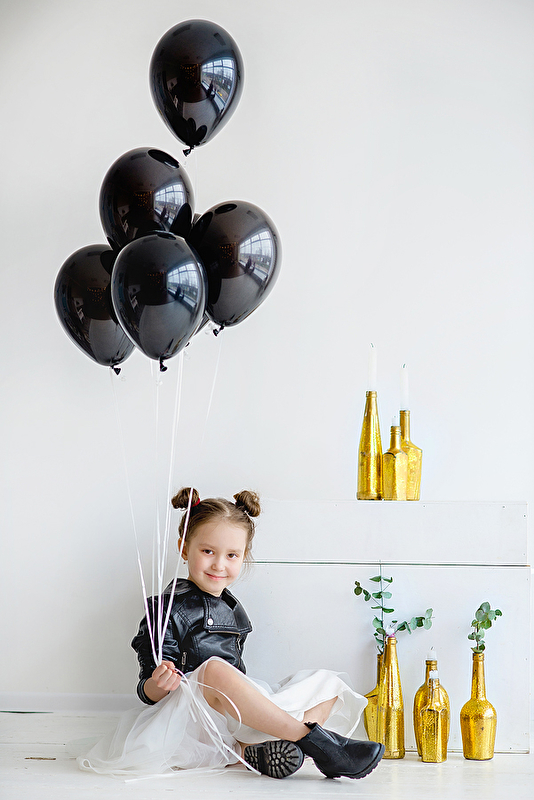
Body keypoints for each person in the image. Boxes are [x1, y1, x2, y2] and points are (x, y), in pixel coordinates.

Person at [78, 488, 384, 780]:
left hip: (229, 717)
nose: (219, 564)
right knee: (213, 669)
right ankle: (321, 746)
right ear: (184, 548)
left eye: (232, 555)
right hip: (190, 721)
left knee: (329, 683)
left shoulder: (234, 610)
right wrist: (160, 683)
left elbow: (237, 681)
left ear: (244, 556)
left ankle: (253, 750)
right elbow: (147, 691)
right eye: (208, 551)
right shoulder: (164, 608)